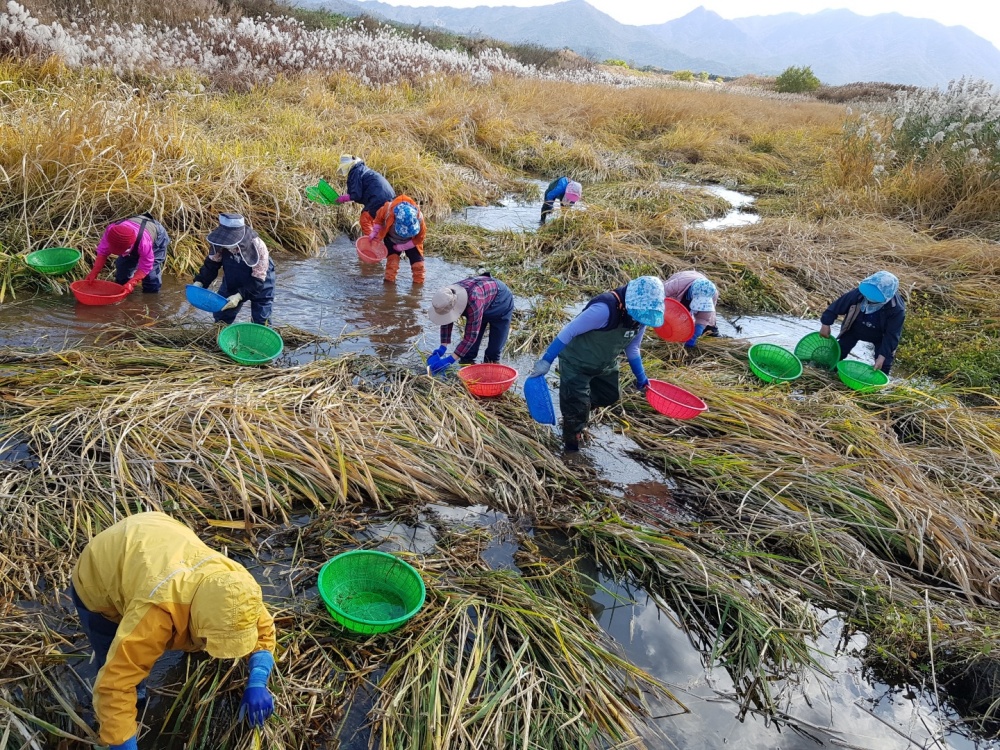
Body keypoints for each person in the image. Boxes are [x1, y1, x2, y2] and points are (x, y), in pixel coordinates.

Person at [71, 511, 276, 750]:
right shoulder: (155, 614)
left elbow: (263, 628)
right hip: (101, 569)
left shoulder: (237, 586)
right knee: (115, 660)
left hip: (159, 533)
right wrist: (121, 742)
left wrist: (258, 680)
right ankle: (138, 700)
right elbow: (116, 684)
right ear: (193, 619)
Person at [526, 276, 664, 452]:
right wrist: (546, 360)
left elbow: (633, 348)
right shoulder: (604, 310)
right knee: (575, 414)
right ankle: (570, 450)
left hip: (604, 363)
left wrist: (641, 377)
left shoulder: (639, 318)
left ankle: (577, 408)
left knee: (610, 395)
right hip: (576, 363)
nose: (642, 318)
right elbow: (568, 332)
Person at [192, 213, 276, 325]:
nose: (226, 244)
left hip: (260, 281)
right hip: (233, 279)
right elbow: (211, 265)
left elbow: (259, 278)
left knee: (261, 319)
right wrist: (200, 282)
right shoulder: (219, 243)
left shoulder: (258, 246)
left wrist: (239, 296)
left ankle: (259, 337)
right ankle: (221, 335)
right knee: (222, 315)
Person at [426, 272, 514, 374]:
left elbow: (471, 336)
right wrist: (442, 347)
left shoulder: (473, 301)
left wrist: (450, 360)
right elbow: (446, 319)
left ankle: (490, 376)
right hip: (483, 301)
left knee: (493, 353)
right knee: (468, 353)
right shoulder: (447, 296)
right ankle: (467, 375)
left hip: (502, 302)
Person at [820, 270, 904, 373]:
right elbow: (838, 305)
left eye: (875, 297)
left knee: (883, 366)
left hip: (880, 337)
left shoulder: (896, 309)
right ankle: (828, 373)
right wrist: (826, 323)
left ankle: (876, 386)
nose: (869, 299)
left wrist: (882, 356)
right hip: (854, 328)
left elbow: (892, 335)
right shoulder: (861, 292)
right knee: (836, 354)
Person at [85, 213, 169, 294]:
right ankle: (123, 290)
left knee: (151, 277)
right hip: (133, 231)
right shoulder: (111, 231)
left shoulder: (144, 244)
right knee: (122, 270)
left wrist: (132, 283)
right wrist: (94, 272)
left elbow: (146, 266)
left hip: (156, 236)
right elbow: (102, 252)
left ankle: (151, 298)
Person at [333, 155, 396, 238]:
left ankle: (372, 244)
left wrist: (342, 199)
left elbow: (356, 195)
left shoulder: (355, 171)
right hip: (390, 196)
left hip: (378, 197)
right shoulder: (362, 169)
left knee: (365, 219)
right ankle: (381, 241)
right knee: (378, 222)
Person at [369, 195, 427, 285]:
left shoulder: (419, 218)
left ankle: (418, 288)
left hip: (412, 242)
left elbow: (420, 238)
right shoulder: (388, 209)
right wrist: (375, 231)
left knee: (418, 267)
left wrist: (404, 246)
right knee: (392, 265)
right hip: (392, 240)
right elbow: (379, 219)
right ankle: (389, 287)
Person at [663, 271, 720, 348]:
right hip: (681, 291)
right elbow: (660, 296)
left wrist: (695, 334)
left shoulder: (712, 293)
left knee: (710, 328)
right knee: (677, 319)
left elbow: (704, 317)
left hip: (699, 287)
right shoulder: (677, 284)